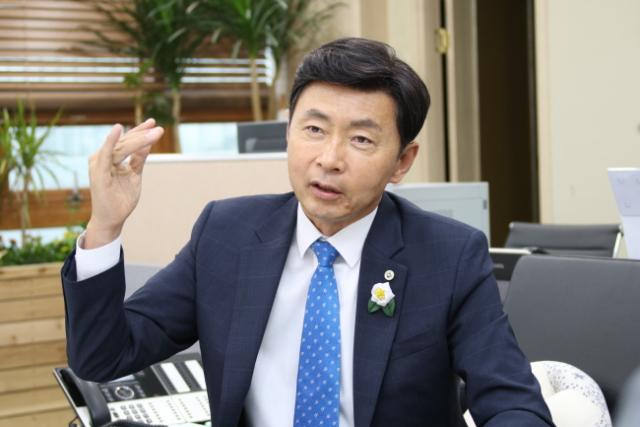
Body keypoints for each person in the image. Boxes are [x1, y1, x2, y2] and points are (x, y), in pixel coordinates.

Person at [62, 37, 554, 427]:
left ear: (402, 162)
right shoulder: (227, 235)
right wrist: (105, 224)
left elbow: (513, 405)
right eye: (314, 130)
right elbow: (104, 357)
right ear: (288, 134)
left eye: (361, 139)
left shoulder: (448, 256)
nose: (329, 159)